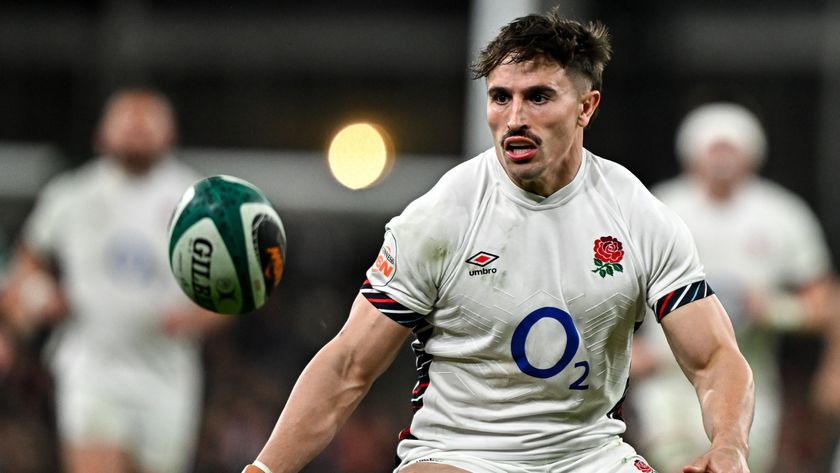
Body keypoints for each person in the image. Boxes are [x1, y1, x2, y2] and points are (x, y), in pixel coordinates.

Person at [242, 10, 754, 473]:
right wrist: (263, 471)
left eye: (538, 97)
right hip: (459, 454)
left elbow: (713, 358)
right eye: (500, 96)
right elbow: (349, 364)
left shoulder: (640, 217)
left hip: (588, 455)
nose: (514, 119)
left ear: (586, 107)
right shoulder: (441, 217)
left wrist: (729, 444)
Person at [0, 87, 226, 473]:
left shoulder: (199, 200)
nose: (136, 129)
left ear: (171, 133)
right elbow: (27, 263)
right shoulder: (71, 195)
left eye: (148, 121)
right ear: (102, 133)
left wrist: (199, 318)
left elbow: (234, 287)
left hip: (167, 369)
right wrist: (40, 298)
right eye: (126, 120)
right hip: (92, 364)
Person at [631, 102, 836, 472]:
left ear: (752, 153)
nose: (721, 161)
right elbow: (611, 287)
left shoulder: (783, 215)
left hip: (749, 378)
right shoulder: (658, 206)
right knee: (672, 463)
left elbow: (823, 304)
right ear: (691, 152)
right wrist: (628, 349)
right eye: (713, 149)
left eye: (731, 150)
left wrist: (774, 310)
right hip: (668, 378)